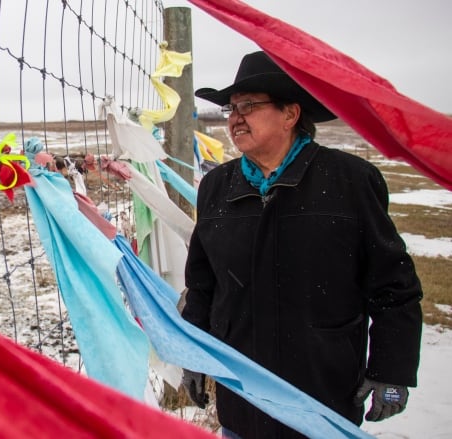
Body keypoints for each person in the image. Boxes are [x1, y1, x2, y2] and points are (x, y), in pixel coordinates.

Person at [180, 51, 423, 438]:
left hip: (323, 400)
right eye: (231, 108)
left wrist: (391, 370)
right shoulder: (216, 187)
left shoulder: (350, 181)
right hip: (242, 403)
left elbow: (394, 288)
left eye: (249, 106)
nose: (234, 118)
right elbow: (203, 286)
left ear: (290, 114)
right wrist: (190, 353)